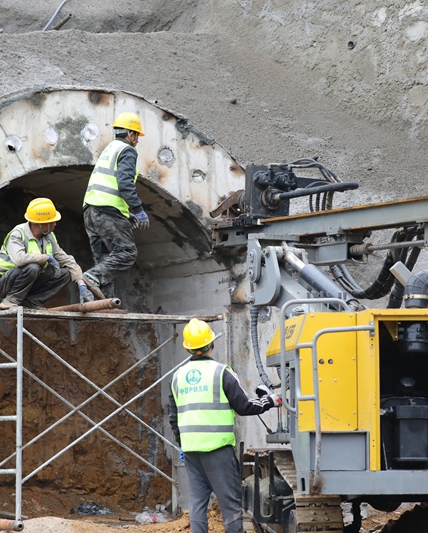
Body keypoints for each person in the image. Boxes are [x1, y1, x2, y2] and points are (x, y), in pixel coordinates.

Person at [168, 318, 282, 533]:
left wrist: (182, 444)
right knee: (230, 505)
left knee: (198, 503)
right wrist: (270, 400)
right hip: (218, 450)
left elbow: (174, 418)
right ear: (212, 344)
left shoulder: (177, 377)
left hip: (191, 451)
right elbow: (245, 406)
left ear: (187, 348)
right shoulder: (221, 373)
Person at [82, 111, 150, 298]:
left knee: (105, 259)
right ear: (131, 134)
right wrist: (138, 209)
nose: (137, 141)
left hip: (90, 210)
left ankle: (102, 301)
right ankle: (91, 277)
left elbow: (108, 183)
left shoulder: (109, 149)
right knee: (127, 252)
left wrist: (127, 215)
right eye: (136, 136)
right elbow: (124, 183)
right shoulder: (127, 150)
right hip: (107, 210)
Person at [0, 198, 95, 309]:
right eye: (52, 221)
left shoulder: (49, 237)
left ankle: (31, 301)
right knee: (32, 267)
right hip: (4, 283)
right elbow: (19, 259)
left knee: (65, 274)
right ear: (43, 224)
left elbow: (66, 259)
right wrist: (46, 257)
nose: (55, 224)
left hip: (27, 283)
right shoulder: (17, 234)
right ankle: (10, 301)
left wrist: (81, 283)